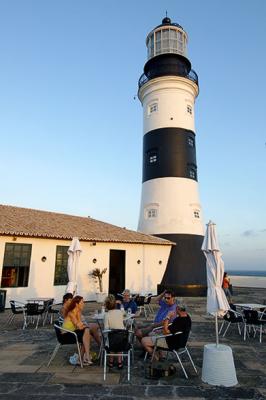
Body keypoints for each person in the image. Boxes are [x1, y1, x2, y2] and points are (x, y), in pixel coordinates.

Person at [62, 295, 93, 365]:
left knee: (87, 334)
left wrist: (83, 326)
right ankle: (86, 356)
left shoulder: (78, 312)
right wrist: (84, 326)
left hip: (73, 332)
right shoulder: (71, 313)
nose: (83, 304)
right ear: (76, 304)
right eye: (82, 303)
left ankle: (82, 358)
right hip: (66, 335)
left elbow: (80, 325)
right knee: (87, 331)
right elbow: (79, 326)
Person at [104, 294, 125, 369]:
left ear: (106, 305)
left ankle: (111, 361)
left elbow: (106, 328)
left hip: (112, 341)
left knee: (111, 339)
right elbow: (124, 312)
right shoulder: (120, 312)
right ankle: (120, 362)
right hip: (122, 340)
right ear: (115, 304)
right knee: (118, 339)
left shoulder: (107, 315)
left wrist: (104, 337)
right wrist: (121, 304)